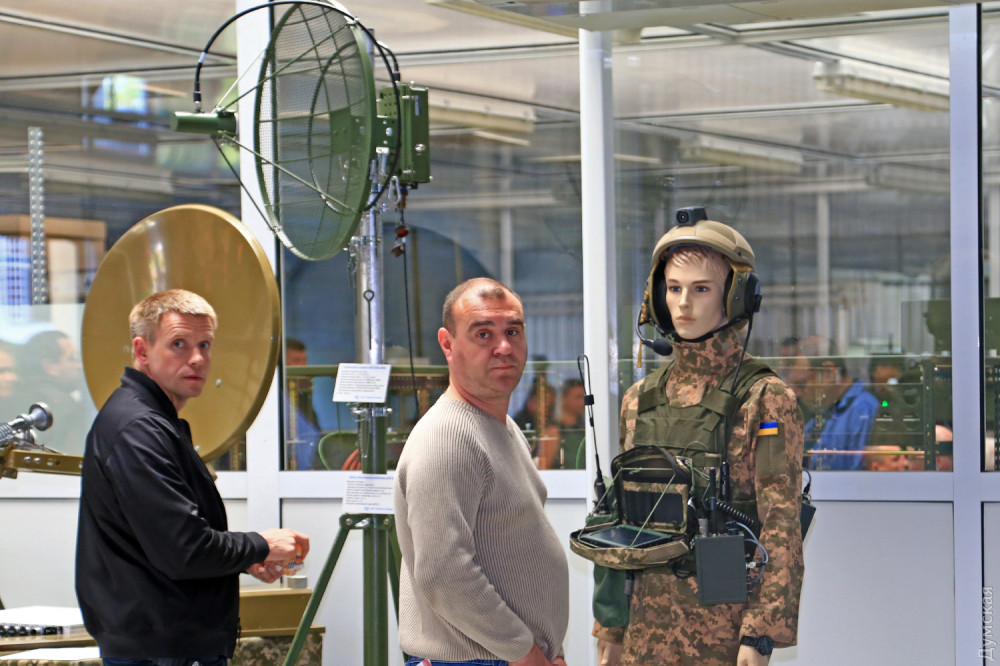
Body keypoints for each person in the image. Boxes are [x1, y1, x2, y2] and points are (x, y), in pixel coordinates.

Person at [594, 211, 804, 666]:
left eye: (701, 289)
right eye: (673, 288)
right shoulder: (639, 400)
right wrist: (611, 624)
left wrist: (761, 634)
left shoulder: (764, 398)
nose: (683, 303)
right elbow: (618, 517)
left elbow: (781, 525)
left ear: (735, 297)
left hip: (724, 628)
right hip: (644, 626)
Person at [75, 289, 310, 666]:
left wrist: (242, 559)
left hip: (168, 643)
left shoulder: (153, 422)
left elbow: (168, 542)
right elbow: (184, 550)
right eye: (178, 344)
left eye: (205, 345)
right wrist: (260, 545)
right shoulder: (138, 429)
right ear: (142, 351)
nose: (197, 358)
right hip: (160, 651)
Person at [394, 277, 569, 666]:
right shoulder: (447, 437)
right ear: (447, 344)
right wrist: (525, 653)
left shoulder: (501, 428)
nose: (504, 347)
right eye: (483, 334)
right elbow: (444, 571)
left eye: (513, 331)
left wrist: (548, 649)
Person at [791, 336, 879, 471]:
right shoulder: (829, 411)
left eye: (802, 384)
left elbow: (856, 475)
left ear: (829, 373)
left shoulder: (862, 410)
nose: (797, 393)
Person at [17, 330, 96, 454]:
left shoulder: (18, 395)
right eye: (72, 359)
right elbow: (73, 457)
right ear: (50, 367)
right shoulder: (64, 405)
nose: (80, 365)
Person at [285, 337, 322, 470]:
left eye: (304, 360)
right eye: (297, 361)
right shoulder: (277, 401)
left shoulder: (303, 399)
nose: (303, 366)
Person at [557, 378, 587, 469]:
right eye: (578, 397)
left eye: (584, 397)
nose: (582, 402)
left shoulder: (585, 428)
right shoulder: (554, 431)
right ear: (564, 399)